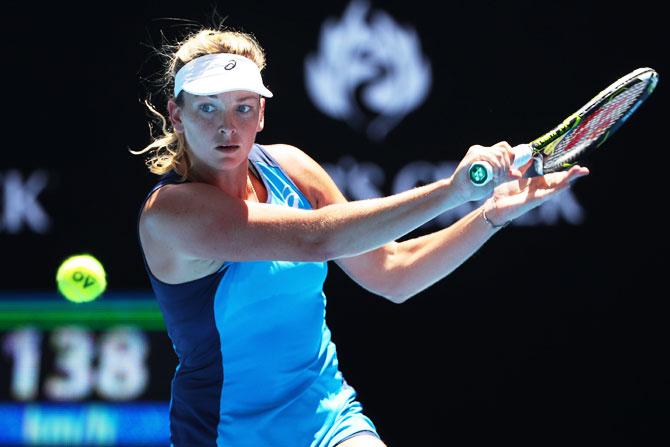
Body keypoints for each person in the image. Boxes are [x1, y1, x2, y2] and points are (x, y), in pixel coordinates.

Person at [133, 26, 588, 447]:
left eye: (242, 107)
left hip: (330, 422)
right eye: (207, 107)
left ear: (262, 113)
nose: (227, 127)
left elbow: (393, 272)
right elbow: (317, 241)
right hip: (224, 435)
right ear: (177, 113)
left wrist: (487, 214)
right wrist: (453, 191)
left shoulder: (292, 169)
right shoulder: (171, 213)